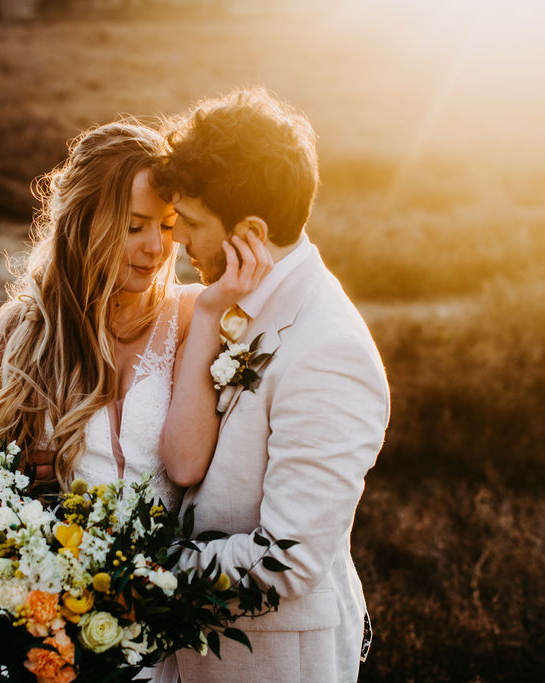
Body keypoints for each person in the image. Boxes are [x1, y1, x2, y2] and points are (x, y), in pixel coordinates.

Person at [0, 119, 271, 682]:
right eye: (134, 226)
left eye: (168, 225)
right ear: (84, 222)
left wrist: (207, 316)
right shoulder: (21, 331)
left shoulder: (192, 316)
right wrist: (2, 601)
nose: (157, 247)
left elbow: (184, 465)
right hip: (42, 625)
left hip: (150, 630)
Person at [155, 88, 390, 682]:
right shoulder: (232, 299)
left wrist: (142, 574)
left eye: (194, 222)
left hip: (271, 662)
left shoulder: (328, 352)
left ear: (251, 230)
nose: (177, 238)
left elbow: (284, 558)